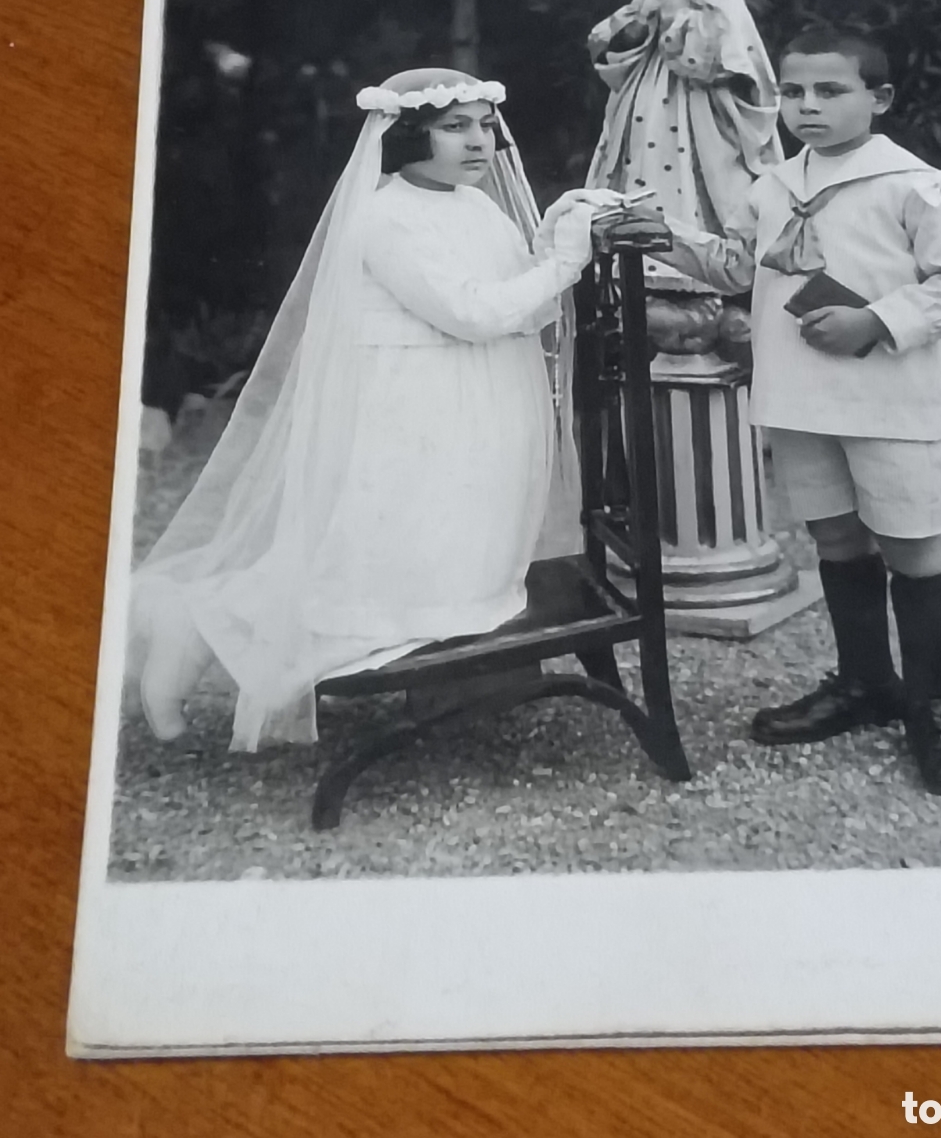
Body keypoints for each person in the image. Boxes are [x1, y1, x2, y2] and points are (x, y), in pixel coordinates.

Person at [135, 67, 615, 753]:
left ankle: (451, 670)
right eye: (456, 127)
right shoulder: (382, 216)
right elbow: (472, 312)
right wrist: (564, 264)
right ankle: (195, 624)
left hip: (476, 411)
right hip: (416, 410)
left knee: (446, 558)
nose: (479, 141)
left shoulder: (474, 204)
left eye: (484, 125)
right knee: (368, 558)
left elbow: (524, 307)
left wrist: (552, 244)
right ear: (407, 135)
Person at [648, 32, 941, 796]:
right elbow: (743, 267)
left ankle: (931, 704)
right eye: (795, 92)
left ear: (878, 99)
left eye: (830, 91)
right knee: (836, 537)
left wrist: (876, 319)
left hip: (888, 396)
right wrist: (663, 237)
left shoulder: (914, 183)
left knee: (912, 541)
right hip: (800, 391)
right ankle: (866, 682)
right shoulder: (774, 185)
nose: (808, 105)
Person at [585, 0, 782, 239]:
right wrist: (634, 24)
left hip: (700, 96)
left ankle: (705, 254)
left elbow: (730, 42)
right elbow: (628, 32)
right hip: (649, 86)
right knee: (640, 153)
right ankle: (639, 249)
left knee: (706, 167)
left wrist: (680, 22)